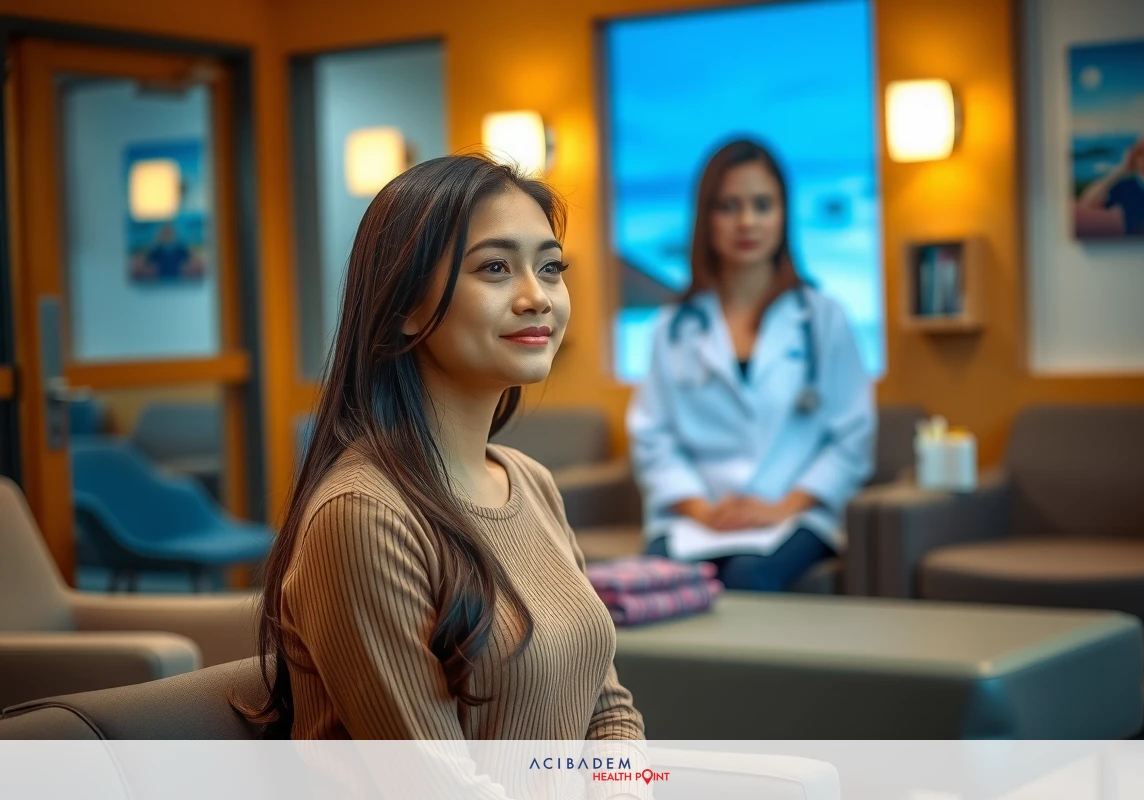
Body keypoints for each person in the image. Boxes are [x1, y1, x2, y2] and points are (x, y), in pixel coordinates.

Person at [248, 155, 644, 747]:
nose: (537, 297)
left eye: (551, 267)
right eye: (495, 268)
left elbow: (609, 712)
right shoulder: (363, 516)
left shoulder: (529, 481)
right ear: (405, 305)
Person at [627, 139, 876, 592]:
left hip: (793, 514)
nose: (748, 221)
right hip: (697, 517)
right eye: (729, 206)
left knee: (748, 575)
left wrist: (782, 506)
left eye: (762, 205)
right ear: (706, 219)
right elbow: (653, 436)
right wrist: (702, 508)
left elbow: (852, 437)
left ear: (783, 215)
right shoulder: (674, 327)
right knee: (657, 584)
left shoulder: (822, 319)